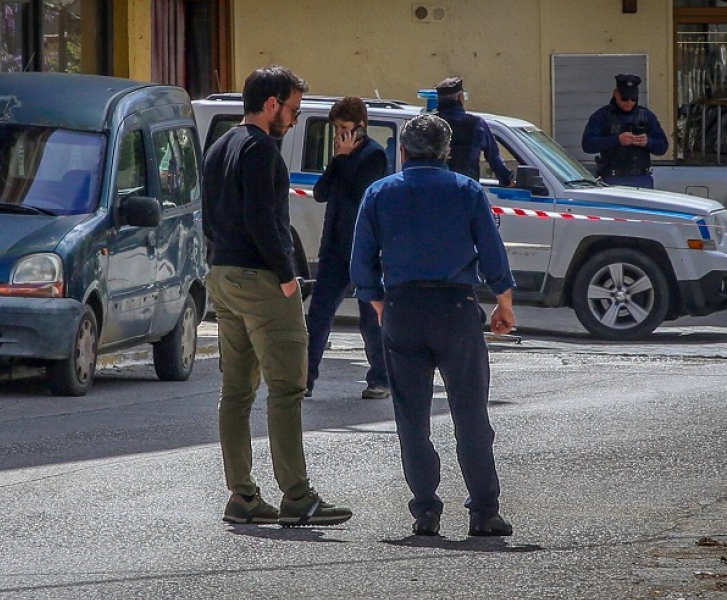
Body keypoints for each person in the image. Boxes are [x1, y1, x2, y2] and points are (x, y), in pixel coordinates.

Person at [350, 113, 516, 537]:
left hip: (403, 308)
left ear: (402, 151)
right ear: (446, 152)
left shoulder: (379, 193)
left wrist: (380, 305)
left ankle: (425, 510)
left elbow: (361, 264)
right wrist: (504, 304)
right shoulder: (466, 190)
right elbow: (492, 253)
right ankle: (483, 510)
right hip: (455, 308)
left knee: (411, 415)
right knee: (471, 414)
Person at [202, 65, 353, 527]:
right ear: (271, 105)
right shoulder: (262, 150)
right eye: (292, 109)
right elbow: (263, 221)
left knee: (236, 392)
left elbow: (209, 215)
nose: (294, 118)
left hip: (222, 275)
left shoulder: (220, 145)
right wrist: (288, 277)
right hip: (262, 281)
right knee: (287, 388)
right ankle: (297, 497)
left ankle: (243, 497)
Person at [305, 97, 390, 400]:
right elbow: (320, 193)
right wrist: (337, 160)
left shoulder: (374, 155)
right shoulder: (340, 155)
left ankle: (380, 378)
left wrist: (343, 160)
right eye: (336, 128)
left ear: (360, 126)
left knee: (371, 318)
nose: (339, 134)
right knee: (318, 315)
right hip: (335, 249)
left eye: (344, 128)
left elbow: (362, 194)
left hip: (365, 249)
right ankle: (305, 379)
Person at [581, 73, 669, 188]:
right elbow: (588, 145)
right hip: (613, 179)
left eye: (633, 99)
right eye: (624, 99)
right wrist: (616, 140)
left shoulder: (646, 116)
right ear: (615, 94)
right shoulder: (602, 116)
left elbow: (662, 147)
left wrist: (648, 142)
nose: (629, 103)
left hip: (641, 179)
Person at [434, 76, 513, 186]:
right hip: (467, 189)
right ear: (461, 98)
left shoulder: (431, 124)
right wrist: (507, 179)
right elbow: (494, 158)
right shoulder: (476, 124)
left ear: (438, 100)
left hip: (436, 189)